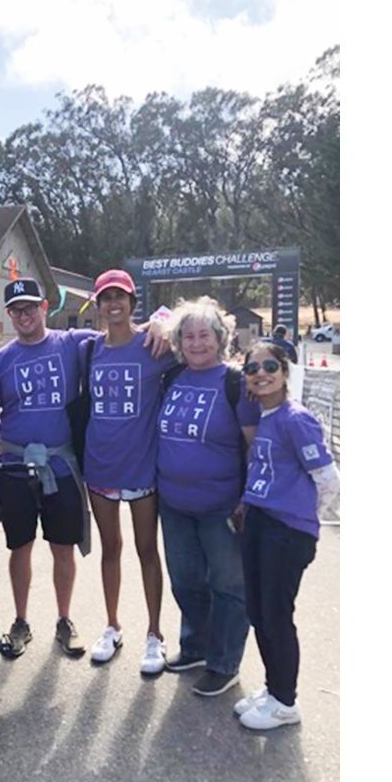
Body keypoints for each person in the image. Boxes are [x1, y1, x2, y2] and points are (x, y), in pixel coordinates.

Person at [0, 278, 169, 659]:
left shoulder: (73, 343)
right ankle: (21, 621)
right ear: (8, 314)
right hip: (14, 465)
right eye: (16, 310)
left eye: (31, 307)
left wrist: (160, 321)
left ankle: (65, 620)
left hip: (62, 465)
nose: (24, 315)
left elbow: (127, 329)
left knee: (63, 548)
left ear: (45, 307)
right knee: (20, 547)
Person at [155, 296, 261, 698]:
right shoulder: (173, 377)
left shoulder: (235, 383)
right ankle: (195, 647)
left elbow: (254, 446)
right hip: (174, 504)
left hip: (222, 506)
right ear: (179, 341)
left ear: (220, 339)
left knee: (229, 585)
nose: (197, 343)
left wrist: (248, 497)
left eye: (205, 335)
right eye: (189, 335)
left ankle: (224, 662)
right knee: (186, 581)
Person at [234, 340, 339, 730]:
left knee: (277, 615)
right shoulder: (267, 417)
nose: (261, 373)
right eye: (252, 368)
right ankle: (274, 688)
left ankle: (285, 701)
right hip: (260, 521)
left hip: (286, 531)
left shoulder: (296, 419)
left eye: (269, 366)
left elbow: (328, 479)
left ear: (284, 372)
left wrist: (304, 519)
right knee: (259, 612)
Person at [78, 270, 178, 675]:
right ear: (97, 305)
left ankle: (154, 633)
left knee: (147, 550)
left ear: (133, 303)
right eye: (106, 298)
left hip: (143, 468)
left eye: (120, 297)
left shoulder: (155, 345)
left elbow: (199, 331)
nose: (113, 304)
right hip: (99, 466)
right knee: (110, 549)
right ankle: (112, 625)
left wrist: (165, 321)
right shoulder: (89, 350)